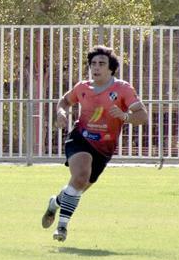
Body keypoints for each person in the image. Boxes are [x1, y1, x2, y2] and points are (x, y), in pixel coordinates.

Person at [40, 45, 148, 242]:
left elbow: (142, 117)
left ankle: (54, 204)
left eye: (101, 64)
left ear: (111, 68)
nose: (96, 68)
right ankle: (62, 227)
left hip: (104, 148)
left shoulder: (123, 89)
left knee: (77, 187)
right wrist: (61, 112)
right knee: (80, 176)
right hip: (80, 138)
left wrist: (125, 116)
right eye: (93, 64)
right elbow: (64, 101)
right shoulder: (83, 87)